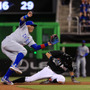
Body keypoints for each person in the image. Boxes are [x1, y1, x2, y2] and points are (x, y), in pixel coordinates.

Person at [1, 11, 54, 85]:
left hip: (7, 48)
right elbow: (21, 19)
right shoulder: (23, 27)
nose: (33, 27)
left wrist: (47, 43)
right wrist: (27, 16)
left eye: (34, 26)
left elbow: (36, 47)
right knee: (23, 50)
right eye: (32, 25)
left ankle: (5, 77)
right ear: (28, 25)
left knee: (19, 62)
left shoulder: (30, 38)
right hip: (7, 42)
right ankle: (14, 65)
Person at [12, 51, 80, 85]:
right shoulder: (60, 53)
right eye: (67, 61)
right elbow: (47, 53)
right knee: (30, 79)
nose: (68, 63)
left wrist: (73, 79)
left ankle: (50, 80)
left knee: (62, 79)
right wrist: (52, 58)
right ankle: (12, 82)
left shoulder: (69, 63)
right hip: (48, 70)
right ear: (64, 58)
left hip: (55, 75)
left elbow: (71, 71)